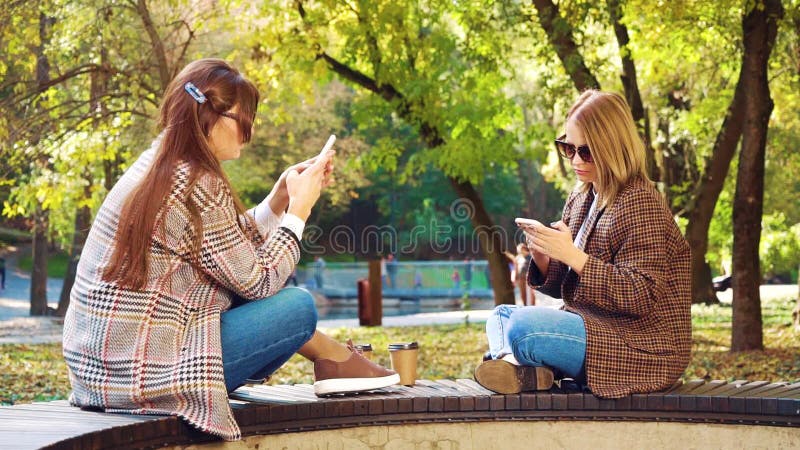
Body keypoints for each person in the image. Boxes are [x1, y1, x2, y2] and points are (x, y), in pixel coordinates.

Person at [62, 59, 398, 442]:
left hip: (101, 374)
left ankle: (334, 358)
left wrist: (277, 201)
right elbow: (259, 282)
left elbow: (225, 252)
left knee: (266, 304)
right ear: (212, 116)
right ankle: (335, 359)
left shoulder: (162, 165)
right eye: (245, 120)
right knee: (297, 308)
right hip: (146, 376)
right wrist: (300, 211)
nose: (249, 133)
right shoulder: (196, 184)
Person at [474, 90, 691, 399]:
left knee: (521, 328)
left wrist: (574, 256)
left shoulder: (641, 202)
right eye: (568, 148)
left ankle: (515, 364)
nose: (575, 159)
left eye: (586, 152)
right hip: (592, 324)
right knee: (501, 317)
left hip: (642, 346)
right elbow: (571, 287)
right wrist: (546, 258)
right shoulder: (581, 197)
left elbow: (641, 294)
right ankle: (526, 369)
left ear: (612, 148)